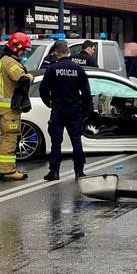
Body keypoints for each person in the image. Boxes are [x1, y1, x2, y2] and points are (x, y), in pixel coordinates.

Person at [39, 40, 92, 181]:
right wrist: (88, 110)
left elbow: (43, 90)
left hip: (58, 108)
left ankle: (54, 172)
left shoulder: (52, 69)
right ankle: (79, 171)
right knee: (76, 141)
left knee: (56, 141)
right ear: (68, 51)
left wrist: (49, 103)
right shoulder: (78, 69)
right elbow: (86, 91)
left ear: (56, 53)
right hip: (74, 108)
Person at [0, 32, 34, 181]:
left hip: (5, 108)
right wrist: (31, 76)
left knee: (4, 137)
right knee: (10, 138)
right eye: (24, 49)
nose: (24, 52)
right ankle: (8, 170)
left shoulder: (4, 60)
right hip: (9, 109)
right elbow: (22, 79)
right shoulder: (10, 62)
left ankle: (1, 167)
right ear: (16, 46)